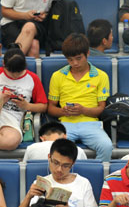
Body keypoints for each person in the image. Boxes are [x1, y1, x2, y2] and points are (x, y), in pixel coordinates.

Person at [47, 33, 113, 162]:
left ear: (87, 53)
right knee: (53, 149)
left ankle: (96, 175)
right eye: (70, 60)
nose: (75, 63)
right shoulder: (57, 76)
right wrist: (63, 111)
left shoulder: (101, 76)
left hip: (91, 124)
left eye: (78, 58)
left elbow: (101, 108)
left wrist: (83, 110)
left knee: (107, 146)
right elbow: (50, 108)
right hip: (65, 124)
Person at [22, 121, 87, 162]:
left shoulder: (31, 148)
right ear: (65, 137)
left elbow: (24, 170)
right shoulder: (78, 150)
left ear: (42, 138)